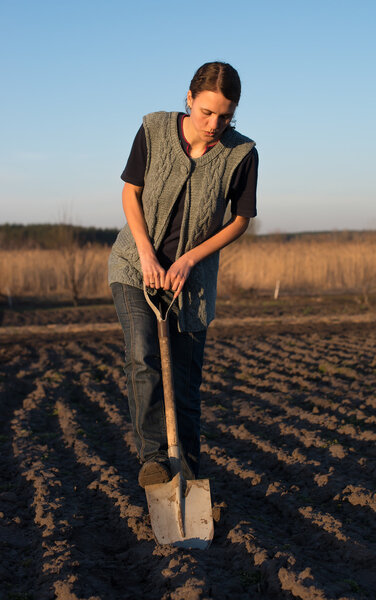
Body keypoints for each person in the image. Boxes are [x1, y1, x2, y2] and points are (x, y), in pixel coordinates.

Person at [109, 61, 258, 488]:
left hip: (190, 283)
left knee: (187, 386)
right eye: (206, 112)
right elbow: (130, 191)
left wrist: (190, 259)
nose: (214, 124)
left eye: (225, 115)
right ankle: (154, 460)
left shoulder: (242, 153)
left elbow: (240, 220)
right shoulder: (154, 129)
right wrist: (147, 254)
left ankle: (188, 481)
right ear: (189, 99)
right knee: (144, 355)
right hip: (135, 267)